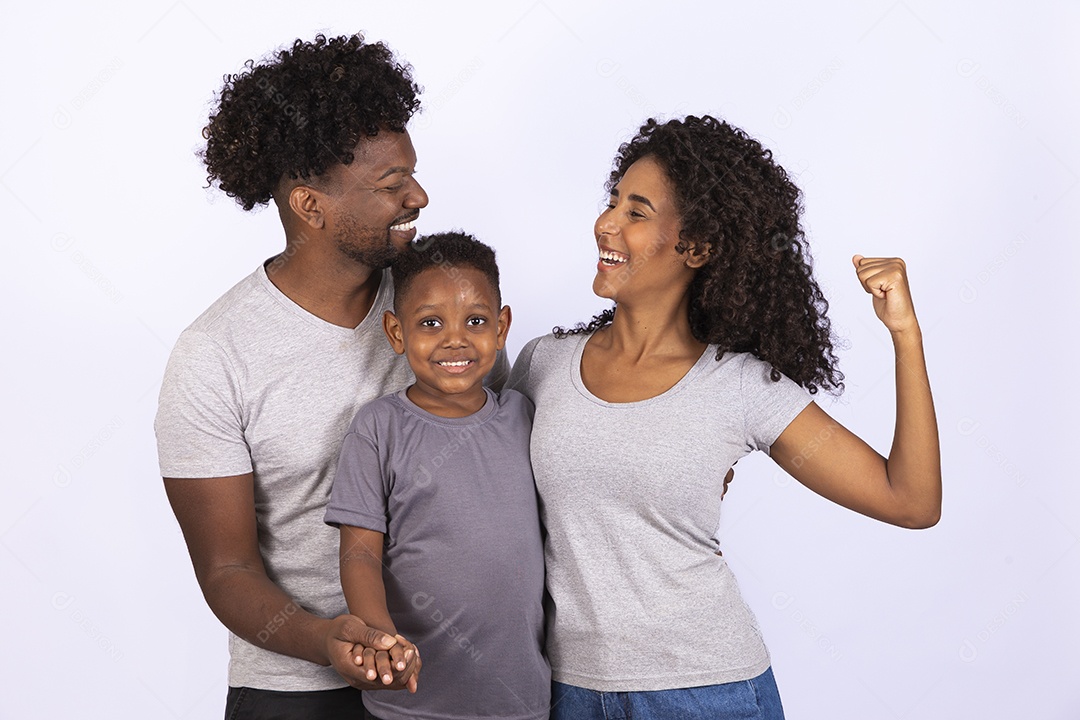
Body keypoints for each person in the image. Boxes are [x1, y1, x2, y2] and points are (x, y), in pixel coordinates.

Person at [507, 115, 941, 719]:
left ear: (698, 247)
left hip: (708, 692)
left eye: (637, 212)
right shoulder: (542, 366)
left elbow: (911, 501)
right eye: (612, 202)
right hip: (567, 691)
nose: (606, 224)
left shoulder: (738, 387)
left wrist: (906, 336)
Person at [155, 34, 494, 718]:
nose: (419, 196)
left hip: (454, 682)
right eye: (390, 185)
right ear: (311, 206)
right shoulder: (214, 355)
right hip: (296, 694)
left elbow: (516, 447)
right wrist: (325, 639)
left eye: (413, 174)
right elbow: (227, 569)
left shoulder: (443, 307)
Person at [324, 232, 549, 720]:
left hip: (520, 700)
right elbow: (360, 554)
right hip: (411, 704)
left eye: (475, 320)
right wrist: (384, 641)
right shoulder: (378, 426)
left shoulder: (524, 416)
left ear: (502, 326)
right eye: (431, 322)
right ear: (396, 331)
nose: (456, 339)